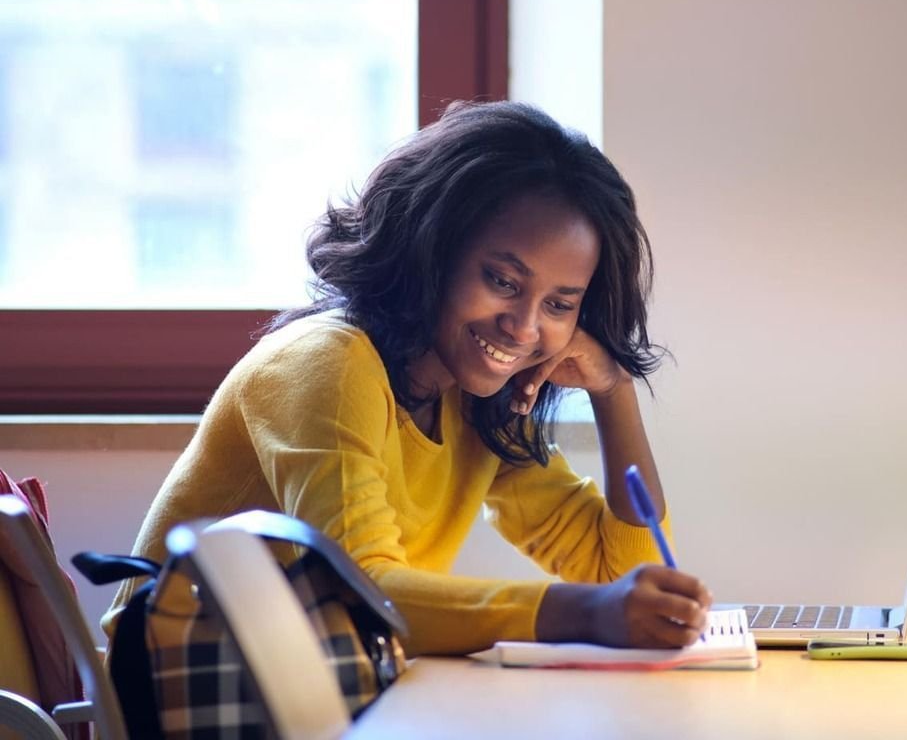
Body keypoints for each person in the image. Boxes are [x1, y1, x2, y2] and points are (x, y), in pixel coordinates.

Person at [103, 100, 712, 657]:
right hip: (183, 700)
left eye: (560, 304)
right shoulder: (329, 363)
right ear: (431, 249)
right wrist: (581, 613)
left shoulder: (473, 398)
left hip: (324, 695)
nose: (524, 327)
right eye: (503, 281)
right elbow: (363, 592)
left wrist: (612, 390)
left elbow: (615, 573)